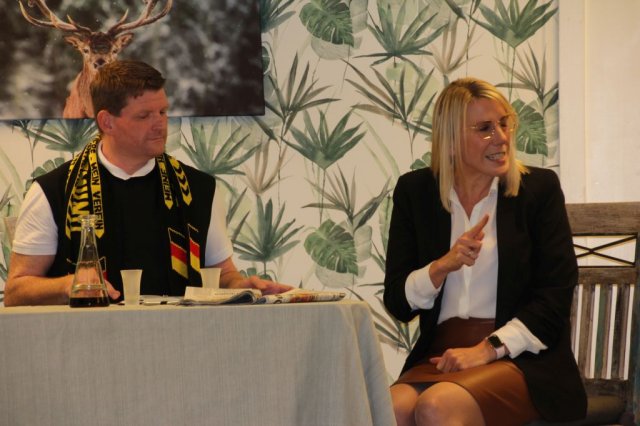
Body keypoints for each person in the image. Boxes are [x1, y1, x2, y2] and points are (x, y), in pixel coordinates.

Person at [383, 77, 587, 425]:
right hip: (441, 356)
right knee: (386, 410)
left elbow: (554, 299)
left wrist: (486, 349)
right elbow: (398, 303)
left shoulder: (538, 190)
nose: (502, 137)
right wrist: (441, 267)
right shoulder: (415, 192)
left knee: (436, 407)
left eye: (504, 124)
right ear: (450, 141)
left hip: (520, 360)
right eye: (485, 128)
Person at [4, 60, 290, 306]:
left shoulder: (199, 189)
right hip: (86, 343)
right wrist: (68, 284)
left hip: (181, 341)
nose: (160, 124)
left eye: (163, 112)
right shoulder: (52, 191)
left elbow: (223, 275)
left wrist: (244, 286)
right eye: (144, 116)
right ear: (107, 122)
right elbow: (16, 292)